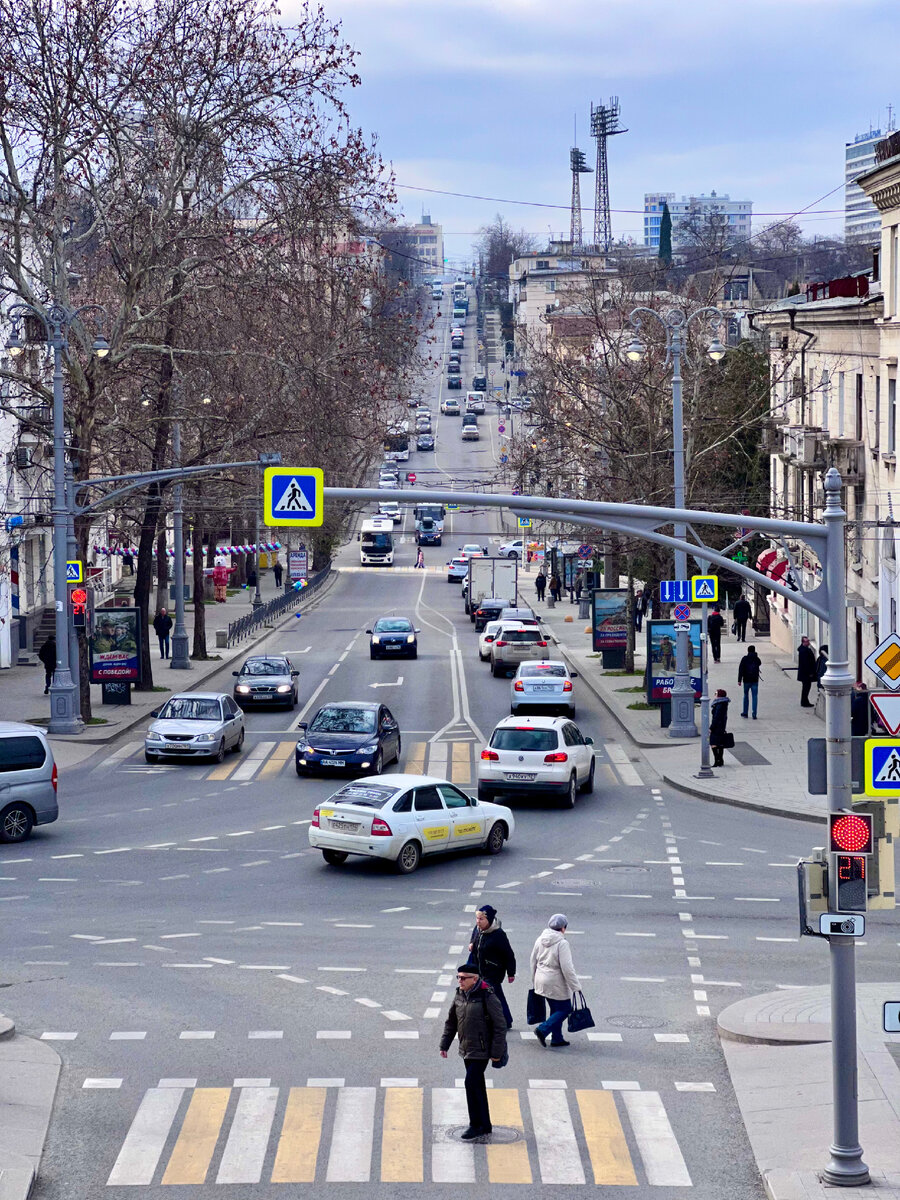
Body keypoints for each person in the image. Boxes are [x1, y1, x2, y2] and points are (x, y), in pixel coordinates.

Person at [439, 963, 507, 1140]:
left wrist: (496, 1052)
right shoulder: (459, 994)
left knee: (470, 1083)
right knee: (477, 1085)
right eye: (458, 977)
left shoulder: (487, 996)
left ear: (474, 979)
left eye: (463, 978)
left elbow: (500, 1025)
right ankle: (485, 1124)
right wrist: (444, 1044)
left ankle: (475, 1125)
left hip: (482, 1050)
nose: (460, 981)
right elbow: (451, 1021)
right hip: (466, 1048)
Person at [530, 913, 580, 1048]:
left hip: (540, 978)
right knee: (565, 1009)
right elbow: (567, 968)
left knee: (555, 1009)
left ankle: (557, 1038)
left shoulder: (540, 939)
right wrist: (576, 986)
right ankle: (543, 1029)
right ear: (563, 928)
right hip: (555, 982)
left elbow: (532, 960)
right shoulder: (562, 943)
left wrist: (534, 979)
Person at [467, 904, 516, 1028]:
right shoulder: (478, 929)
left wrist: (511, 973)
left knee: (493, 995)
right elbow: (474, 937)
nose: (478, 922)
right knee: (490, 994)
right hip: (479, 968)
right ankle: (501, 1019)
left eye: (481, 919)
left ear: (489, 920)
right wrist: (472, 943)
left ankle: (504, 1020)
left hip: (493, 970)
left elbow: (508, 954)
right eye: (477, 919)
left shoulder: (498, 935)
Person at [737, 644, 762, 719]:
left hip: (746, 680)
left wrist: (739, 680)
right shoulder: (757, 659)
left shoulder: (744, 659)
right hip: (755, 680)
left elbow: (740, 669)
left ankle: (745, 712)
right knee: (755, 697)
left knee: (745, 696)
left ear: (748, 651)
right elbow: (760, 663)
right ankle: (754, 714)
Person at [709, 688, 730, 767]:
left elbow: (716, 717)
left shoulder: (719, 705)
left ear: (719, 695)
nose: (714, 695)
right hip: (722, 726)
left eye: (715, 693)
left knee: (713, 743)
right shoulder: (723, 703)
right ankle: (720, 760)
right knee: (720, 743)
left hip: (717, 727)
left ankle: (717, 760)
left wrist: (711, 727)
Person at [797, 636, 817, 707]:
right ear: (803, 642)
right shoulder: (804, 651)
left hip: (805, 673)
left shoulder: (805, 649)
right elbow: (806, 663)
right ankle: (804, 702)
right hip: (806, 674)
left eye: (808, 641)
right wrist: (810, 673)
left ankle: (805, 701)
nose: (808, 642)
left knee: (806, 688)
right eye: (807, 641)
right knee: (806, 688)